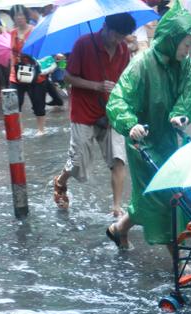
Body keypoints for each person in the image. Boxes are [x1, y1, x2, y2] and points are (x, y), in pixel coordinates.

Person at [106, 3, 191, 251]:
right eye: (186, 44)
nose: (189, 50)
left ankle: (118, 229)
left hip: (167, 138)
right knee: (165, 196)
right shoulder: (141, 64)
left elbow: (188, 92)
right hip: (142, 141)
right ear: (172, 39)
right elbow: (118, 99)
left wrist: (180, 115)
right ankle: (177, 260)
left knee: (152, 194)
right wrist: (131, 124)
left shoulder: (183, 63)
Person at [51, 13, 135, 216]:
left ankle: (116, 207)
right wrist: (96, 85)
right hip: (84, 110)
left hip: (111, 110)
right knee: (78, 161)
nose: (118, 41)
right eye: (115, 35)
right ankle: (60, 181)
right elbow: (68, 78)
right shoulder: (83, 44)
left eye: (122, 37)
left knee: (118, 159)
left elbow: (126, 79)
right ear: (105, 27)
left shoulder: (123, 49)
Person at [9, 5, 47, 135]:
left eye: (21, 15)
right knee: (15, 102)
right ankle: (19, 129)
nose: (18, 18)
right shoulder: (12, 33)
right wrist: (11, 68)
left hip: (34, 72)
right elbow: (12, 53)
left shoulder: (35, 30)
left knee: (38, 102)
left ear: (26, 15)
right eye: (15, 15)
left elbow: (41, 50)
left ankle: (41, 129)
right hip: (17, 73)